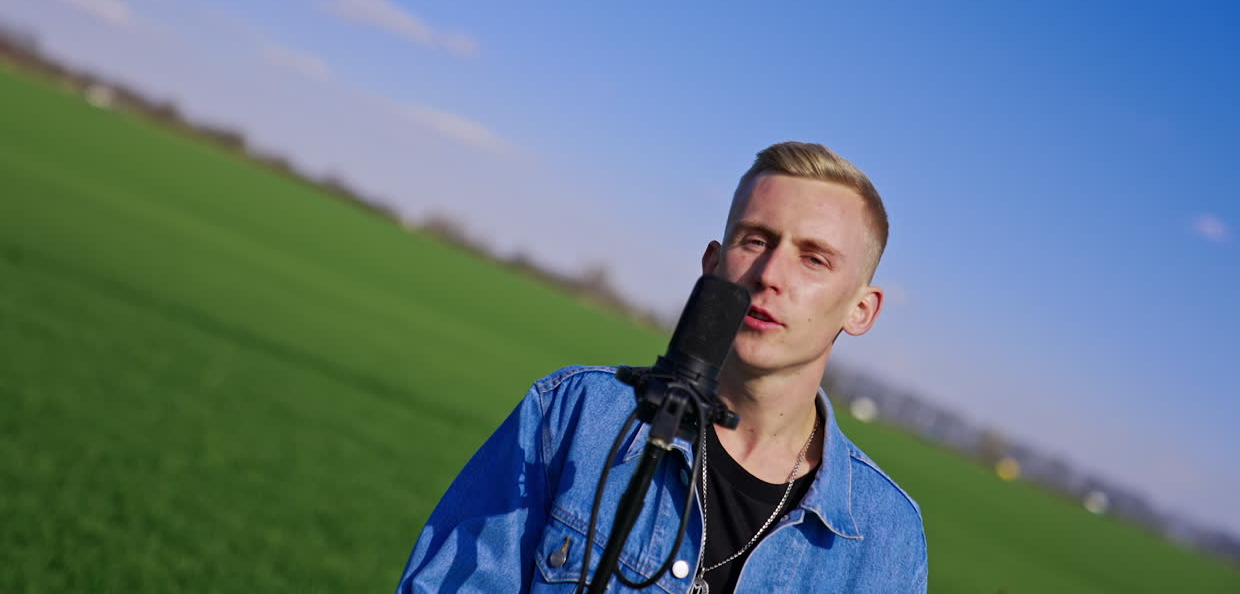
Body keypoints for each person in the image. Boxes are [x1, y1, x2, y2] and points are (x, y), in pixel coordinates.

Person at [396, 142, 927, 593]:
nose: (770, 274)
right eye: (756, 241)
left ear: (862, 310)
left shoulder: (887, 539)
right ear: (713, 265)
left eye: (813, 259)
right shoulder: (575, 414)